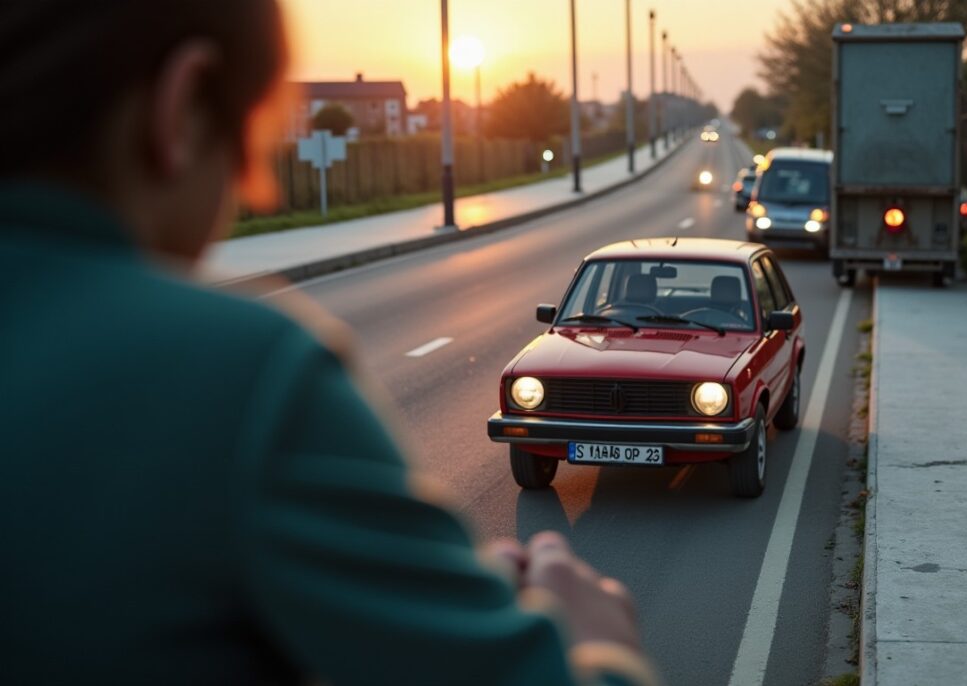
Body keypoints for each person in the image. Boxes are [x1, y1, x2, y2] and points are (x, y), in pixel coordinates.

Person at [0, 2, 654, 684]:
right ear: (184, 105)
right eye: (253, 140)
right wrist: (601, 646)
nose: (241, 190)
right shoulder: (239, 374)